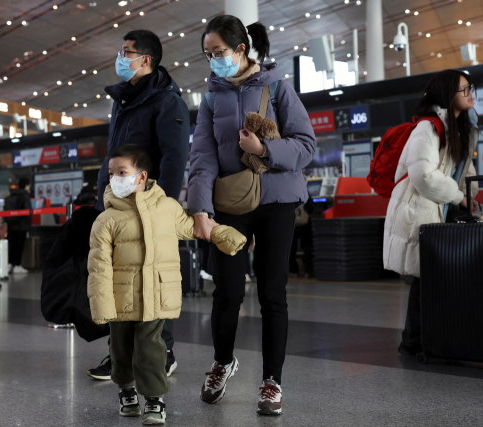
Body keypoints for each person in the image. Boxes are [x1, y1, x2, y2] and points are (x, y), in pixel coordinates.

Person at [187, 15, 316, 416]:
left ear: (241, 49)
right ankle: (222, 362)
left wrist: (264, 150)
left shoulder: (278, 87)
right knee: (226, 292)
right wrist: (201, 209)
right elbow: (202, 157)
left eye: (220, 52)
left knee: (272, 293)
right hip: (230, 203)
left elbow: (306, 146)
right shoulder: (210, 98)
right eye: (208, 55)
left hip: (277, 201)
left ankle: (271, 381)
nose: (214, 61)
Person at [87, 145, 245, 424]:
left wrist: (224, 234)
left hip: (156, 295)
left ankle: (154, 399)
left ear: (141, 176)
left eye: (122, 172)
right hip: (119, 298)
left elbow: (193, 227)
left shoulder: (167, 208)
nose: (114, 179)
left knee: (151, 348)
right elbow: (97, 268)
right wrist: (101, 306)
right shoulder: (105, 220)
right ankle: (126, 390)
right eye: (111, 173)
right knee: (120, 350)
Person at [89, 29, 190, 382]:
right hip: (118, 205)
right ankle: (123, 356)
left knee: (152, 279)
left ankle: (164, 353)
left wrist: (165, 208)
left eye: (126, 51)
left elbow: (176, 158)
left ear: (144, 59)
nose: (121, 56)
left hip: (149, 207)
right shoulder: (124, 100)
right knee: (124, 282)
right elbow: (114, 152)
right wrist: (102, 191)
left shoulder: (166, 101)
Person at [383, 69, 480, 356]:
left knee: (430, 275)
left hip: (438, 206)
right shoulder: (428, 128)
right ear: (447, 95)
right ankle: (415, 341)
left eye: (469, 87)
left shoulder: (462, 128)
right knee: (426, 274)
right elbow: (422, 175)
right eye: (464, 89)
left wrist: (469, 198)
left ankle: (423, 339)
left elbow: (464, 170)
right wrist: (460, 197)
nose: (469, 93)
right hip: (419, 206)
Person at [4, 177, 32, 274]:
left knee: (12, 246)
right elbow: (27, 211)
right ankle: (17, 265)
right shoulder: (25, 195)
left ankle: (9, 265)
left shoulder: (11, 195)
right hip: (21, 225)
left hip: (11, 225)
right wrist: (29, 223)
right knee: (19, 246)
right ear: (26, 186)